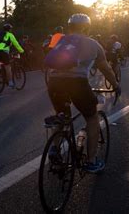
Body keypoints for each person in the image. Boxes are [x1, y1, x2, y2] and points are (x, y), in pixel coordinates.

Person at [47, 14, 119, 173]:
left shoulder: (61, 41)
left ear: (69, 27)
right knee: (92, 118)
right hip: (77, 82)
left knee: (61, 116)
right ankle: (91, 161)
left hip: (53, 81)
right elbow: (105, 68)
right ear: (87, 27)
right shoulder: (93, 44)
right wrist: (115, 85)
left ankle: (55, 149)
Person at [0, 23, 24, 88]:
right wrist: (22, 51)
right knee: (8, 66)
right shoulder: (10, 35)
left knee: (2, 62)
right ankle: (10, 83)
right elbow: (16, 44)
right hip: (3, 51)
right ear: (9, 29)